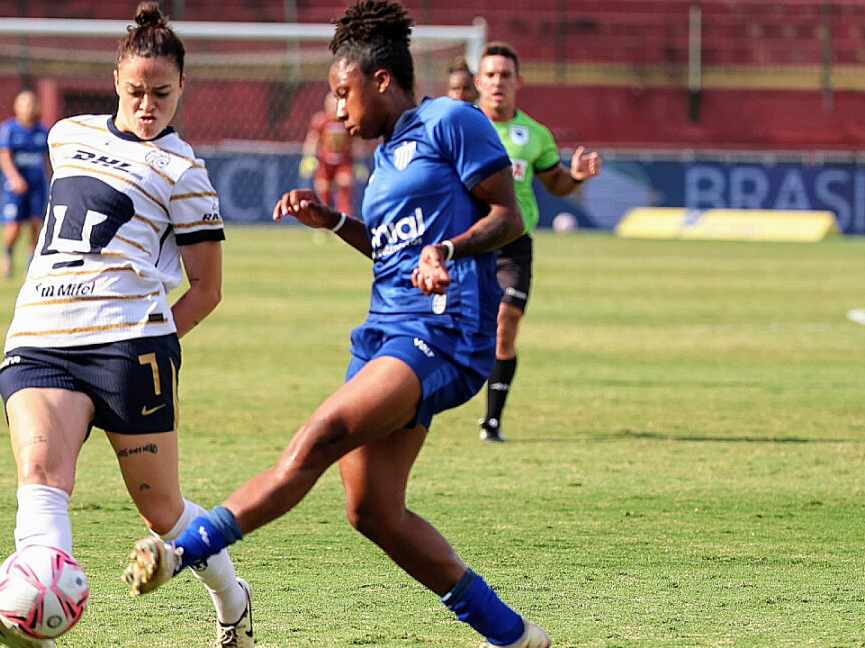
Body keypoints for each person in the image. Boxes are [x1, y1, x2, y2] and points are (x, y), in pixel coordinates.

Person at [123, 2, 551, 647]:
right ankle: (515, 636)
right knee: (372, 511)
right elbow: (391, 249)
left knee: (321, 434)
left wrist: (450, 251)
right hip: (384, 331)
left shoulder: (451, 121)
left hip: (445, 329)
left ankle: (186, 549)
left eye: (343, 93)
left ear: (381, 80)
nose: (339, 111)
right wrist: (334, 222)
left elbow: (508, 216)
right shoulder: (384, 161)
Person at [0, 4, 253, 648]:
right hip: (40, 337)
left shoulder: (186, 172)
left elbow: (208, 289)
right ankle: (35, 615)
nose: (147, 105)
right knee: (41, 474)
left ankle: (234, 602)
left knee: (162, 510)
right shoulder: (65, 135)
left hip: (129, 352)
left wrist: (150, 341)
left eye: (162, 93)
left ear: (182, 89)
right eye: (136, 91)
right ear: (115, 80)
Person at [470, 42, 601, 442]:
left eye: (505, 75)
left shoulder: (536, 135)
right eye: (490, 75)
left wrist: (575, 177)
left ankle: (492, 421)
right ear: (478, 81)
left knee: (505, 323)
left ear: (518, 82)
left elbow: (556, 184)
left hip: (513, 244)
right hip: (469, 243)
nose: (497, 83)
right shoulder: (461, 125)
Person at [0, 90, 50, 278]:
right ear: (16, 107)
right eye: (24, 104)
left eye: (32, 103)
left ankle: (31, 262)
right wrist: (14, 178)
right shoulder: (9, 129)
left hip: (37, 186)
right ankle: (7, 254)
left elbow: (49, 159)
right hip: (15, 188)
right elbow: (4, 156)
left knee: (36, 223)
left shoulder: (43, 132)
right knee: (14, 226)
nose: (29, 108)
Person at [300, 92, 356, 216]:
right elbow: (312, 140)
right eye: (331, 104)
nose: (333, 107)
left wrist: (360, 162)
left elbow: (356, 142)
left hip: (344, 162)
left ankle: (346, 221)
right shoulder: (321, 120)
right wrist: (308, 158)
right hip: (325, 163)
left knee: (345, 190)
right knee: (324, 193)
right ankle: (323, 226)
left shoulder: (348, 120)